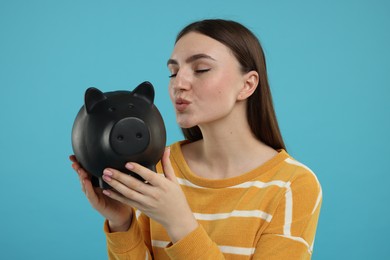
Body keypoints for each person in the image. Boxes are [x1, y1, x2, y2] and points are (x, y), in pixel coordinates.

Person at [70, 19, 322, 259]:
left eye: (201, 69)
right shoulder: (155, 168)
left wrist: (179, 222)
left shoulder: (293, 186)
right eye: (173, 72)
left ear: (247, 85)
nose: (179, 83)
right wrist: (121, 222)